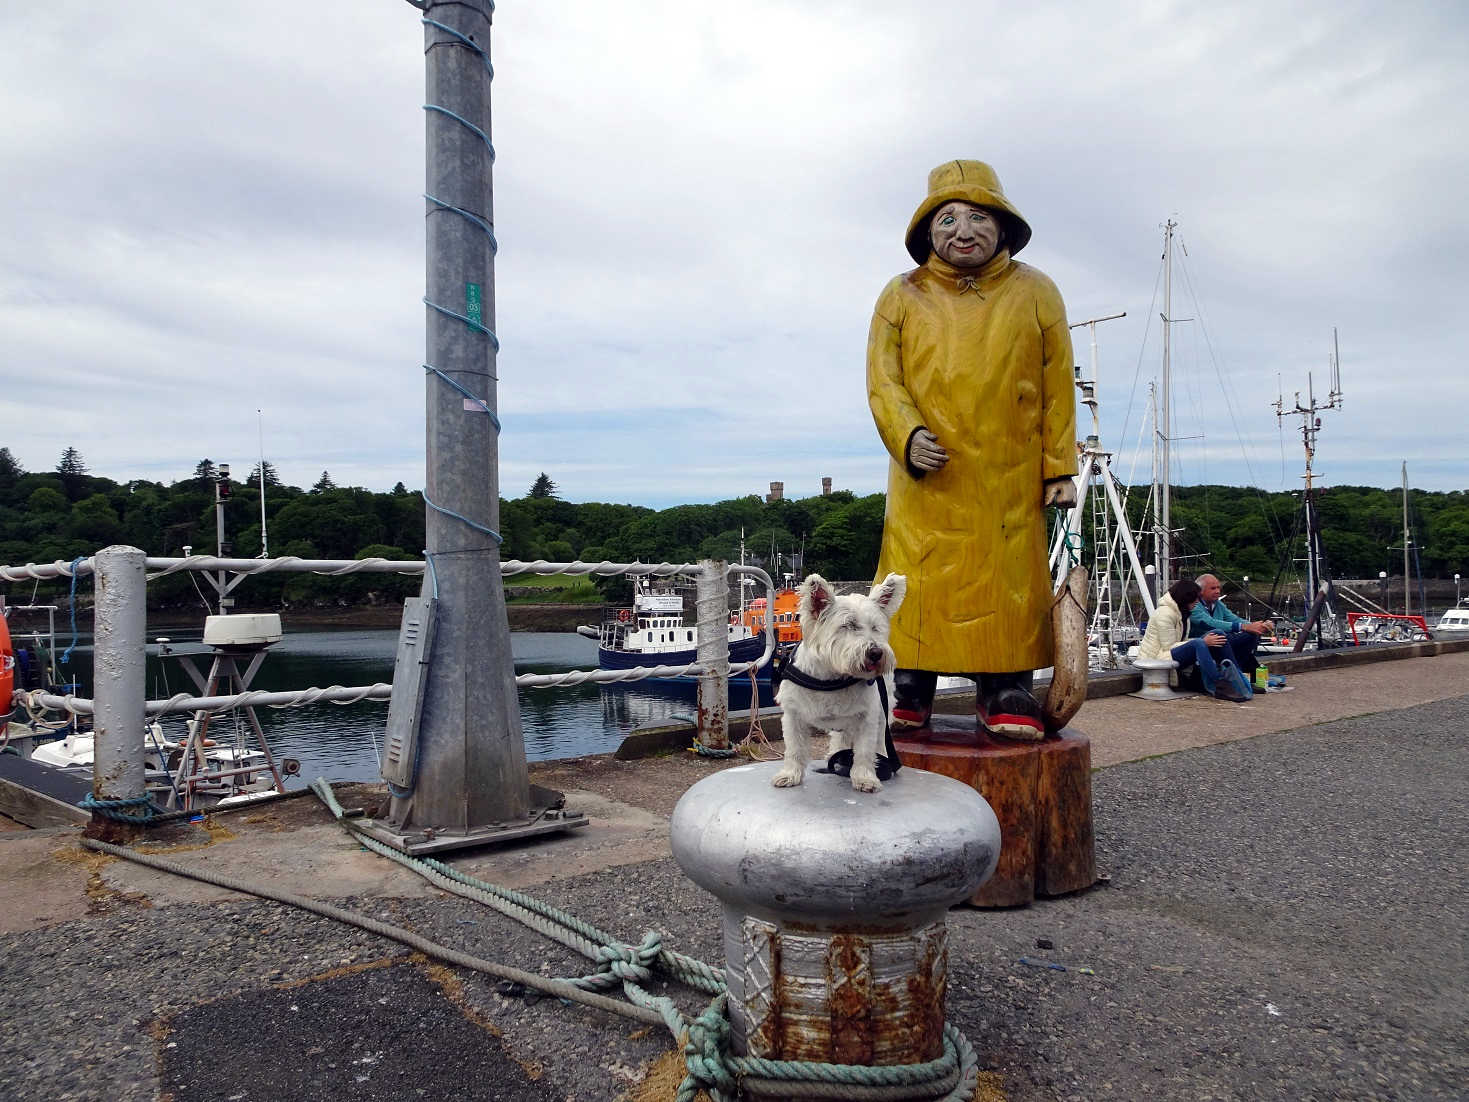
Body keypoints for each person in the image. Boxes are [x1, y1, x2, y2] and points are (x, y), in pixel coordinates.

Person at [868, 160, 1078, 739]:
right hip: (925, 479)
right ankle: (908, 683)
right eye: (948, 218)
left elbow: (1059, 381)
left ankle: (1007, 686)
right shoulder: (900, 295)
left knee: (1009, 578)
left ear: (1003, 224)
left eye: (978, 216)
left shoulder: (1037, 291)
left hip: (1009, 473)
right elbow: (883, 381)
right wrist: (908, 436)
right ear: (927, 230)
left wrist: (1059, 465)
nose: (963, 229)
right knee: (915, 578)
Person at [1136, 578, 1247, 701]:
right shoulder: (1164, 614)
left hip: (1169, 653)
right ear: (1186, 598)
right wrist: (1203, 641)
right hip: (1158, 656)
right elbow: (1168, 646)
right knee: (1199, 643)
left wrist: (1204, 640)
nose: (1197, 602)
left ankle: (1238, 680)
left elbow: (1183, 642)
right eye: (1195, 599)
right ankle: (1220, 685)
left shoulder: (1183, 612)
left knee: (1218, 634)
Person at [1187, 573, 1272, 680]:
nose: (1217, 591)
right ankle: (1237, 675)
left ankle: (1238, 673)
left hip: (1219, 643)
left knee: (1251, 635)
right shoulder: (1193, 605)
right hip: (1204, 643)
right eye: (1213, 588)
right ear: (1200, 591)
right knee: (1229, 635)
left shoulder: (1217, 604)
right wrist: (1244, 627)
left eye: (1218, 588)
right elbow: (1210, 623)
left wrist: (1258, 626)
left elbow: (1234, 619)